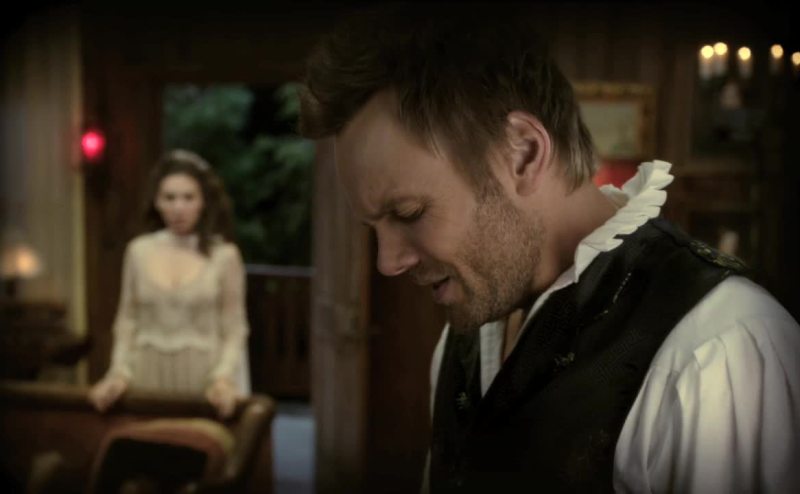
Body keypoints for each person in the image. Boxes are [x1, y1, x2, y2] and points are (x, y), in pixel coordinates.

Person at [298, 5, 800, 493]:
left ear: (523, 153)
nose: (388, 262)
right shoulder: (463, 336)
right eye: (373, 226)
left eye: (408, 213)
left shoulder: (719, 351)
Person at [88, 149, 250, 419]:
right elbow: (127, 321)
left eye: (188, 197)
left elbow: (235, 328)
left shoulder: (224, 256)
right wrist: (118, 373)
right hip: (147, 375)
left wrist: (223, 377)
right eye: (170, 197)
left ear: (203, 201)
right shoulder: (139, 251)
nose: (178, 208)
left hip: (204, 379)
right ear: (157, 201)